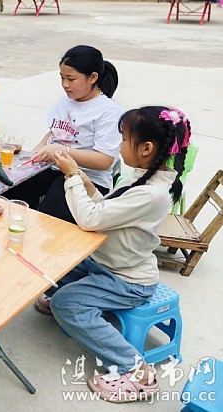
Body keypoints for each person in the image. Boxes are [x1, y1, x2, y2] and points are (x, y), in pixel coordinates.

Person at [34, 106, 189, 403]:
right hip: (105, 263)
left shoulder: (151, 193)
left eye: (124, 139)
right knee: (52, 262)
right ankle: (78, 299)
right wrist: (81, 176)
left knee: (66, 304)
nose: (120, 145)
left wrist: (71, 176)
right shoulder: (143, 178)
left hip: (127, 280)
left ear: (146, 148)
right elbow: (106, 208)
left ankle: (138, 371)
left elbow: (90, 219)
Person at [3, 45, 122, 224]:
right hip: (54, 169)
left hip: (87, 179)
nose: (65, 84)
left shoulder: (109, 111)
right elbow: (55, 131)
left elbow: (104, 161)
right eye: (62, 77)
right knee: (10, 192)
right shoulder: (66, 100)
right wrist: (37, 151)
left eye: (71, 79)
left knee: (48, 218)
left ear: (93, 78)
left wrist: (61, 151)